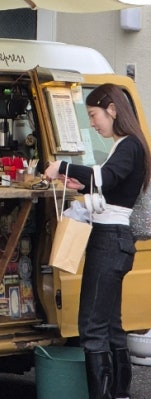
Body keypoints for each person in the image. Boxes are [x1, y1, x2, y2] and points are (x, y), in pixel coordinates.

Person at [45, 83, 151, 399]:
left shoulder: (128, 145)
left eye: (94, 115)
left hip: (108, 240)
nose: (92, 123)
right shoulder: (129, 146)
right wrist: (82, 183)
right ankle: (120, 394)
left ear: (112, 110)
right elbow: (109, 185)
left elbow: (104, 178)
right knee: (112, 327)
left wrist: (61, 166)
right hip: (118, 241)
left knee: (92, 327)